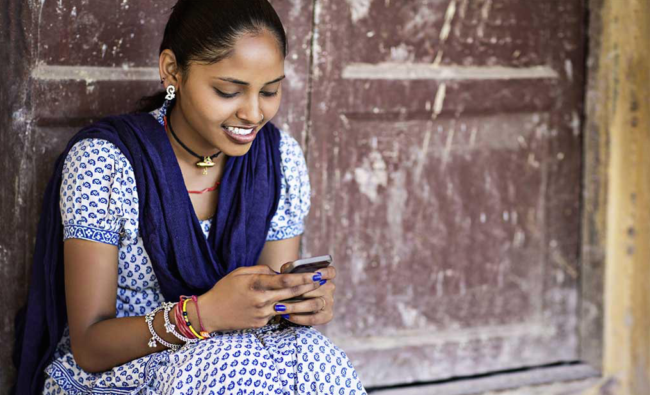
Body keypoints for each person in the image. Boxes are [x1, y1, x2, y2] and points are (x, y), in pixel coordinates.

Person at [11, 0, 367, 394]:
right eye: (228, 91)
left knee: (316, 357)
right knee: (225, 367)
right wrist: (203, 314)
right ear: (172, 71)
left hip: (235, 361)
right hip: (120, 372)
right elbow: (90, 347)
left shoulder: (276, 158)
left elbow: (272, 301)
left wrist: (297, 305)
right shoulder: (107, 162)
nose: (253, 113)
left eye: (269, 91)